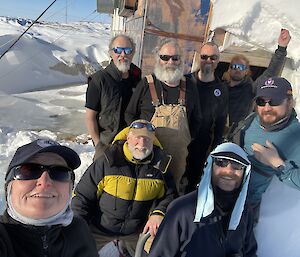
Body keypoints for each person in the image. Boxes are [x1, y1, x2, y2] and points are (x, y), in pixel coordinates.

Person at [72, 119, 176, 256]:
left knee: (160, 252)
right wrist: (79, 227)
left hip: (137, 231)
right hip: (100, 228)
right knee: (74, 250)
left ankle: (125, 248)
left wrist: (159, 213)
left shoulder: (160, 167)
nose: (142, 144)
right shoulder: (107, 161)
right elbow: (82, 196)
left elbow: (170, 195)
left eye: (147, 139)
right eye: (137, 138)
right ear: (128, 137)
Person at [149, 142, 257, 257]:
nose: (229, 171)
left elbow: (249, 252)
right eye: (221, 163)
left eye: (237, 165)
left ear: (244, 173)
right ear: (210, 167)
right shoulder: (181, 210)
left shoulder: (244, 212)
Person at [125, 38, 202, 193]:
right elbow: (130, 114)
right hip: (148, 154)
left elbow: (197, 119)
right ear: (158, 59)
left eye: (175, 58)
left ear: (181, 60)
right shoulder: (146, 84)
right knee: (146, 191)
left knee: (171, 192)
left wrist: (185, 140)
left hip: (177, 158)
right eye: (165, 57)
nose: (170, 62)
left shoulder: (190, 87)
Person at [0, 139, 98, 257]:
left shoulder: (78, 229)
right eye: (29, 170)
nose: (45, 181)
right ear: (9, 188)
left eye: (59, 172)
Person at [227, 76, 300, 222]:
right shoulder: (251, 119)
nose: (267, 108)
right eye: (261, 102)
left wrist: (277, 164)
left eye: (275, 101)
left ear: (290, 102)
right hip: (223, 192)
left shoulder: (296, 137)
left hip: (248, 210)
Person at [85, 34, 141, 160]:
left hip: (133, 143)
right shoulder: (99, 80)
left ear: (133, 53)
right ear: (111, 53)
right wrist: (98, 145)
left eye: (127, 50)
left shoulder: (138, 78)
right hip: (108, 145)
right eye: (117, 50)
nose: (123, 55)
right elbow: (90, 117)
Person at [225, 29, 291, 128]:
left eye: (241, 67)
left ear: (247, 71)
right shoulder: (221, 87)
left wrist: (281, 48)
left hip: (238, 132)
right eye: (234, 67)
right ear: (229, 69)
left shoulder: (250, 89)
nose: (237, 70)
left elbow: (271, 72)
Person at [186, 41, 228, 192]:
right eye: (204, 57)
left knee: (192, 184)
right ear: (199, 58)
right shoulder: (185, 82)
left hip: (201, 146)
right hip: (181, 141)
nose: (208, 61)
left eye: (213, 57)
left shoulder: (221, 89)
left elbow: (221, 121)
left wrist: (215, 148)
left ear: (218, 60)